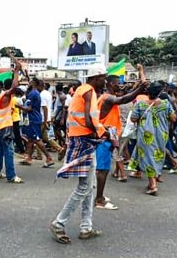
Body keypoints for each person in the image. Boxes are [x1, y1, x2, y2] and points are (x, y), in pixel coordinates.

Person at [49, 64, 108, 244]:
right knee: (84, 187)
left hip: (81, 140)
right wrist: (103, 133)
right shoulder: (89, 91)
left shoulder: (81, 90)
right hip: (84, 141)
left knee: (88, 187)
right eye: (103, 77)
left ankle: (86, 227)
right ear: (96, 77)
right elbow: (90, 120)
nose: (104, 81)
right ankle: (59, 223)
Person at [94, 68, 146, 209]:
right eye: (118, 83)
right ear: (111, 84)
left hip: (107, 136)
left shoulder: (106, 97)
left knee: (102, 168)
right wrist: (140, 89)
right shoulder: (108, 98)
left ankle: (99, 195)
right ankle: (99, 199)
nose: (120, 85)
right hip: (104, 137)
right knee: (103, 169)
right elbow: (123, 99)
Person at [129, 81, 177, 195]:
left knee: (149, 157)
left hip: (146, 135)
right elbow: (173, 118)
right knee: (158, 155)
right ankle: (155, 178)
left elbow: (133, 119)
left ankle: (152, 184)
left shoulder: (140, 104)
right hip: (161, 134)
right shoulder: (165, 104)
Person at [0, 56, 24, 184]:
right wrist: (16, 72)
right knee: (9, 151)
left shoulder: (0, 96)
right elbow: (15, 87)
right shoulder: (5, 96)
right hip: (4, 127)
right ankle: (11, 176)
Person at [20, 78, 54, 167]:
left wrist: (19, 106)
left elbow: (29, 108)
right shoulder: (35, 93)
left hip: (33, 119)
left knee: (36, 139)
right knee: (31, 139)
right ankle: (28, 158)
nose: (29, 83)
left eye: (30, 82)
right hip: (34, 118)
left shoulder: (33, 94)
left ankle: (49, 157)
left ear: (34, 83)